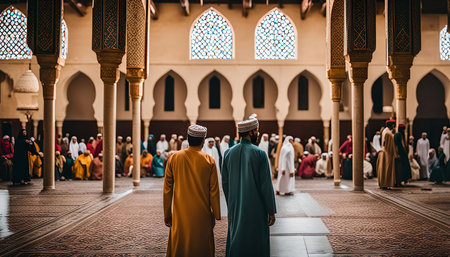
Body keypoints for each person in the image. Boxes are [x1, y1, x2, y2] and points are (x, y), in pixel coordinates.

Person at [222, 116, 276, 257]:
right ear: (252, 132)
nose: (258, 134)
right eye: (256, 131)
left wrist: (232, 203)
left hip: (235, 204)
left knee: (236, 236)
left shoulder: (228, 153)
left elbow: (225, 183)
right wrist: (271, 210)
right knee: (256, 241)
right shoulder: (260, 154)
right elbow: (266, 186)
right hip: (256, 206)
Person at [163, 124, 221, 257]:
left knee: (180, 244)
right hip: (202, 214)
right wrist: (216, 213)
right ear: (203, 141)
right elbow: (214, 191)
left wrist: (167, 214)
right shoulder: (209, 161)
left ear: (188, 139)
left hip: (180, 213)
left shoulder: (174, 158)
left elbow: (167, 189)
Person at [377, 120, 396, 189]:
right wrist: (394, 153)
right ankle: (385, 183)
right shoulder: (388, 132)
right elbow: (387, 143)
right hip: (387, 152)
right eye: (394, 125)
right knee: (387, 169)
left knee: (384, 169)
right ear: (392, 125)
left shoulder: (385, 131)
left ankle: (384, 183)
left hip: (384, 151)